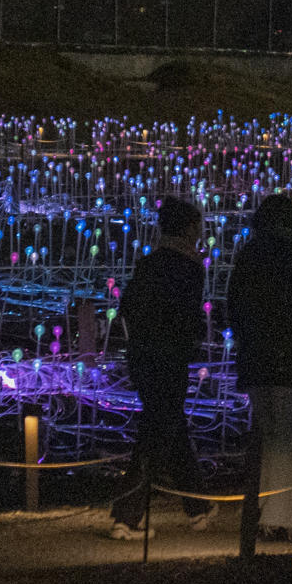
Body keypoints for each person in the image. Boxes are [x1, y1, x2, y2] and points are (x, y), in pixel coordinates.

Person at [109, 196, 213, 539]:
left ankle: (198, 508)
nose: (200, 231)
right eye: (196, 224)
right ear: (187, 227)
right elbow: (186, 317)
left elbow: (129, 307)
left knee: (169, 424)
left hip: (144, 356)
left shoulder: (150, 263)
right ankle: (126, 516)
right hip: (170, 358)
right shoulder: (189, 266)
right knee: (157, 431)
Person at [227, 193, 292, 540]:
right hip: (291, 360)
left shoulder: (249, 256)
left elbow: (235, 307)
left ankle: (258, 512)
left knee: (265, 434)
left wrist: (245, 344)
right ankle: (279, 519)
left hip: (256, 357)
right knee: (286, 439)